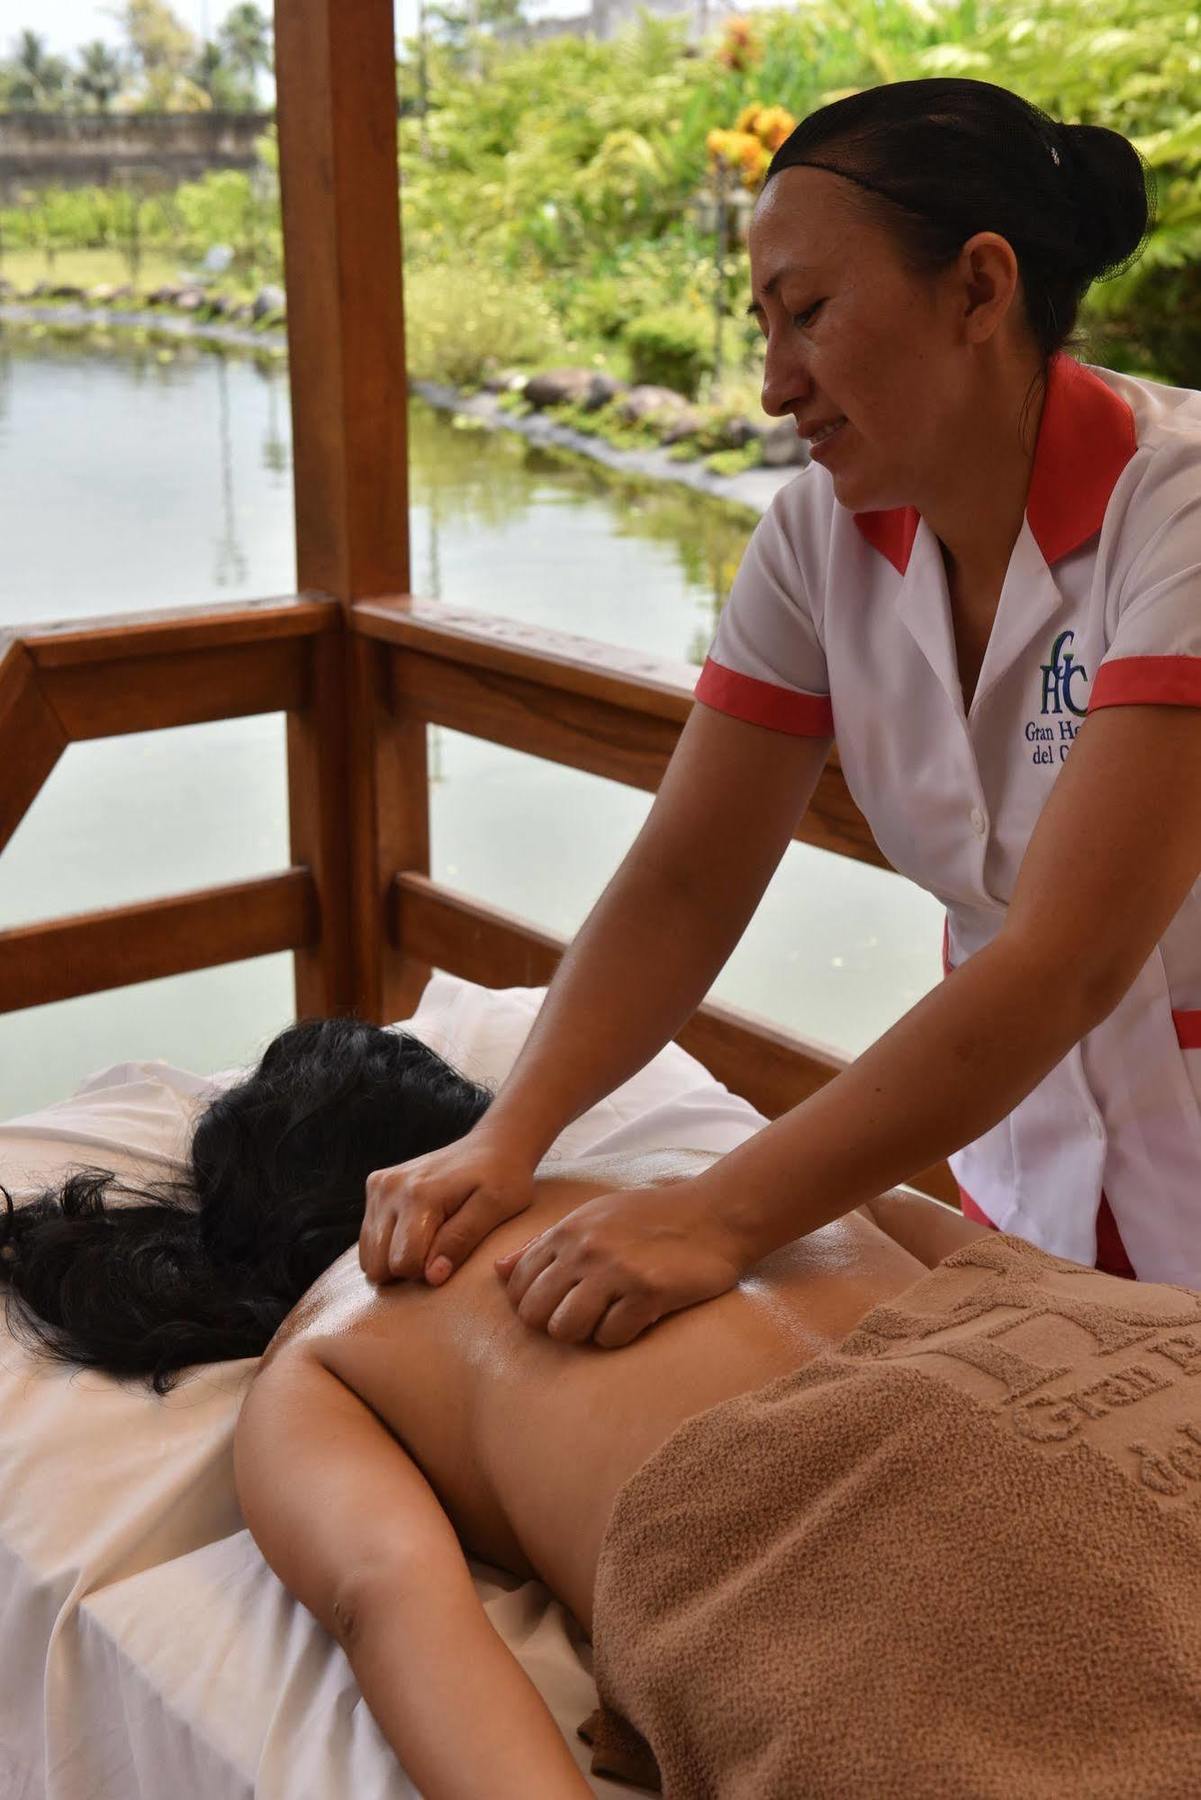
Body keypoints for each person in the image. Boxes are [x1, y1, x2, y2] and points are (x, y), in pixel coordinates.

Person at [360, 75, 1201, 1333]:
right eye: (763, 322)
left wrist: (719, 1214)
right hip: (1022, 1195)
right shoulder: (818, 541)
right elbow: (687, 879)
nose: (770, 384)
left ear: (979, 287)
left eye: (806, 312)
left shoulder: (1175, 515)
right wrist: (511, 1135)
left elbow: (1064, 960)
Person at [8, 1018, 1201, 1796]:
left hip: (870, 1542)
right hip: (1125, 1386)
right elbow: (1029, 1291)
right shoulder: (716, 1183)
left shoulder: (324, 1355)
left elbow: (393, 1610)